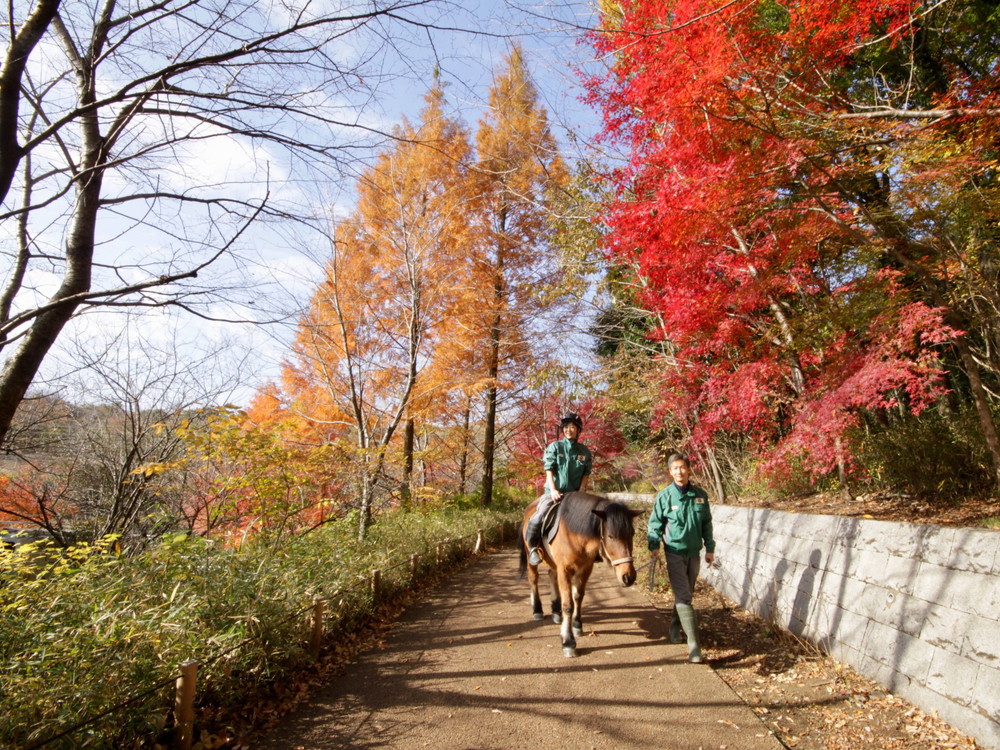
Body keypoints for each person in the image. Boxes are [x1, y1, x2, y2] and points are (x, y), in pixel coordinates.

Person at [647, 452, 715, 663]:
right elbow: (655, 523)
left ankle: (675, 627)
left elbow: (706, 524)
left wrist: (710, 548)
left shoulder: (700, 495)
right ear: (670, 472)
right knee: (684, 595)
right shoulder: (664, 496)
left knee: (686, 595)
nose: (679, 471)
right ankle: (694, 646)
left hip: (694, 553)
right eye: (675, 468)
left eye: (683, 467)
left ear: (689, 469)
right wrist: (654, 545)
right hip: (674, 552)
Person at [525, 412, 593, 566]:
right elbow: (549, 469)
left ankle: (593, 549)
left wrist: (582, 489)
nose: (569, 429)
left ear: (578, 430)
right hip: (554, 492)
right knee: (538, 516)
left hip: (575, 494)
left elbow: (586, 473)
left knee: (593, 517)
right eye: (566, 427)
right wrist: (553, 490)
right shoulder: (555, 447)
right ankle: (533, 548)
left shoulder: (584, 452)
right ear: (563, 429)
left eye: (573, 427)